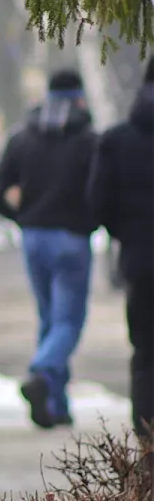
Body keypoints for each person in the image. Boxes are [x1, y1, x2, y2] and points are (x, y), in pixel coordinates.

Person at [0, 69, 99, 429]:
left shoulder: (23, 138)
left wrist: (20, 217)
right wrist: (92, 221)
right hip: (71, 239)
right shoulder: (88, 141)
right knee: (68, 320)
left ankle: (55, 405)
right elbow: (100, 190)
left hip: (34, 237)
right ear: (78, 97)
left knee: (49, 319)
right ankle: (43, 372)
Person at [88, 56, 154, 438]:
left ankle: (146, 436)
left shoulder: (116, 140)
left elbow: (98, 204)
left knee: (145, 351)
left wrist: (128, 235)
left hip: (140, 262)